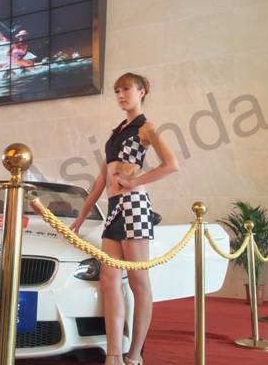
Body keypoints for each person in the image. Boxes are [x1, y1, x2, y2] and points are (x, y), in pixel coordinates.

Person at [71, 73, 179, 365]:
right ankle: (114, 354)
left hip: (135, 206)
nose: (121, 95)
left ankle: (134, 355)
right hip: (114, 208)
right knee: (109, 281)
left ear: (141, 91)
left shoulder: (146, 127)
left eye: (126, 89)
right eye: (117, 90)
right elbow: (101, 179)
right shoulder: (115, 131)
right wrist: (82, 214)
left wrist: (135, 182)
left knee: (138, 281)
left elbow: (172, 165)